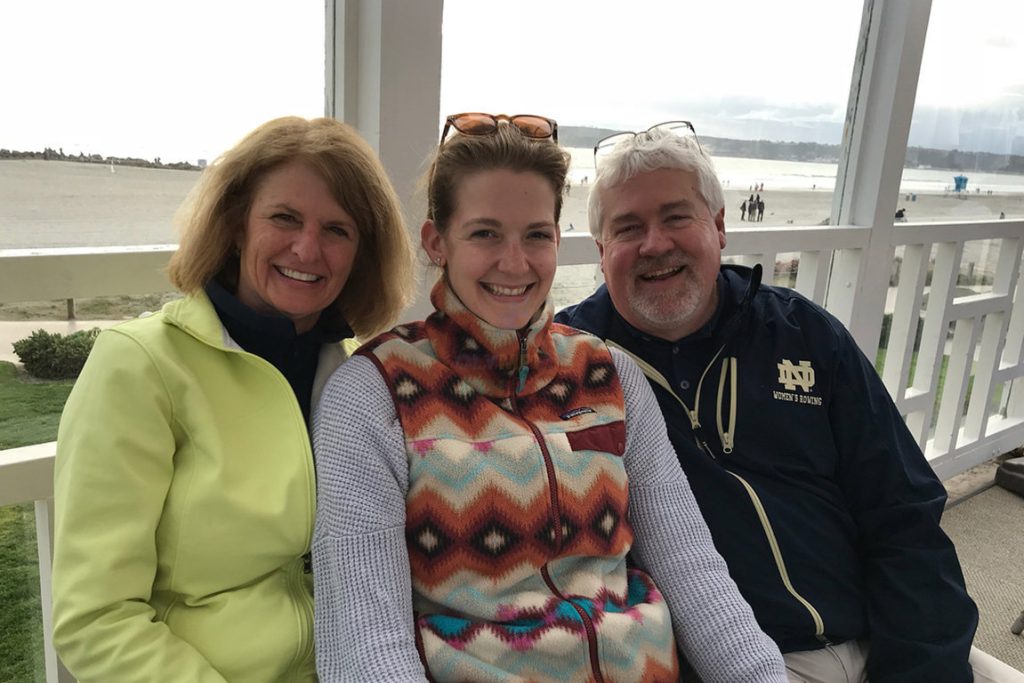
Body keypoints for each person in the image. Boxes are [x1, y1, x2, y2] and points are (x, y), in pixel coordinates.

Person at [312, 113, 787, 682]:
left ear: (558, 240)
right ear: (437, 242)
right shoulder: (374, 393)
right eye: (485, 233)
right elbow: (364, 645)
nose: (515, 263)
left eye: (536, 235)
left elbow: (691, 570)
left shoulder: (609, 374)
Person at [555, 125, 983, 682]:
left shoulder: (803, 333)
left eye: (676, 217)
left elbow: (902, 511)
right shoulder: (570, 371)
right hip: (720, 663)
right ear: (602, 249)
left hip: (884, 642)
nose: (655, 244)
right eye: (628, 227)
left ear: (719, 225)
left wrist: (920, 668)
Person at [51, 116, 415, 682]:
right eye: (284, 218)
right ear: (236, 224)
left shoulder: (354, 374)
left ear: (361, 252)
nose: (307, 248)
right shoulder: (141, 364)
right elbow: (95, 618)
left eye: (338, 229)